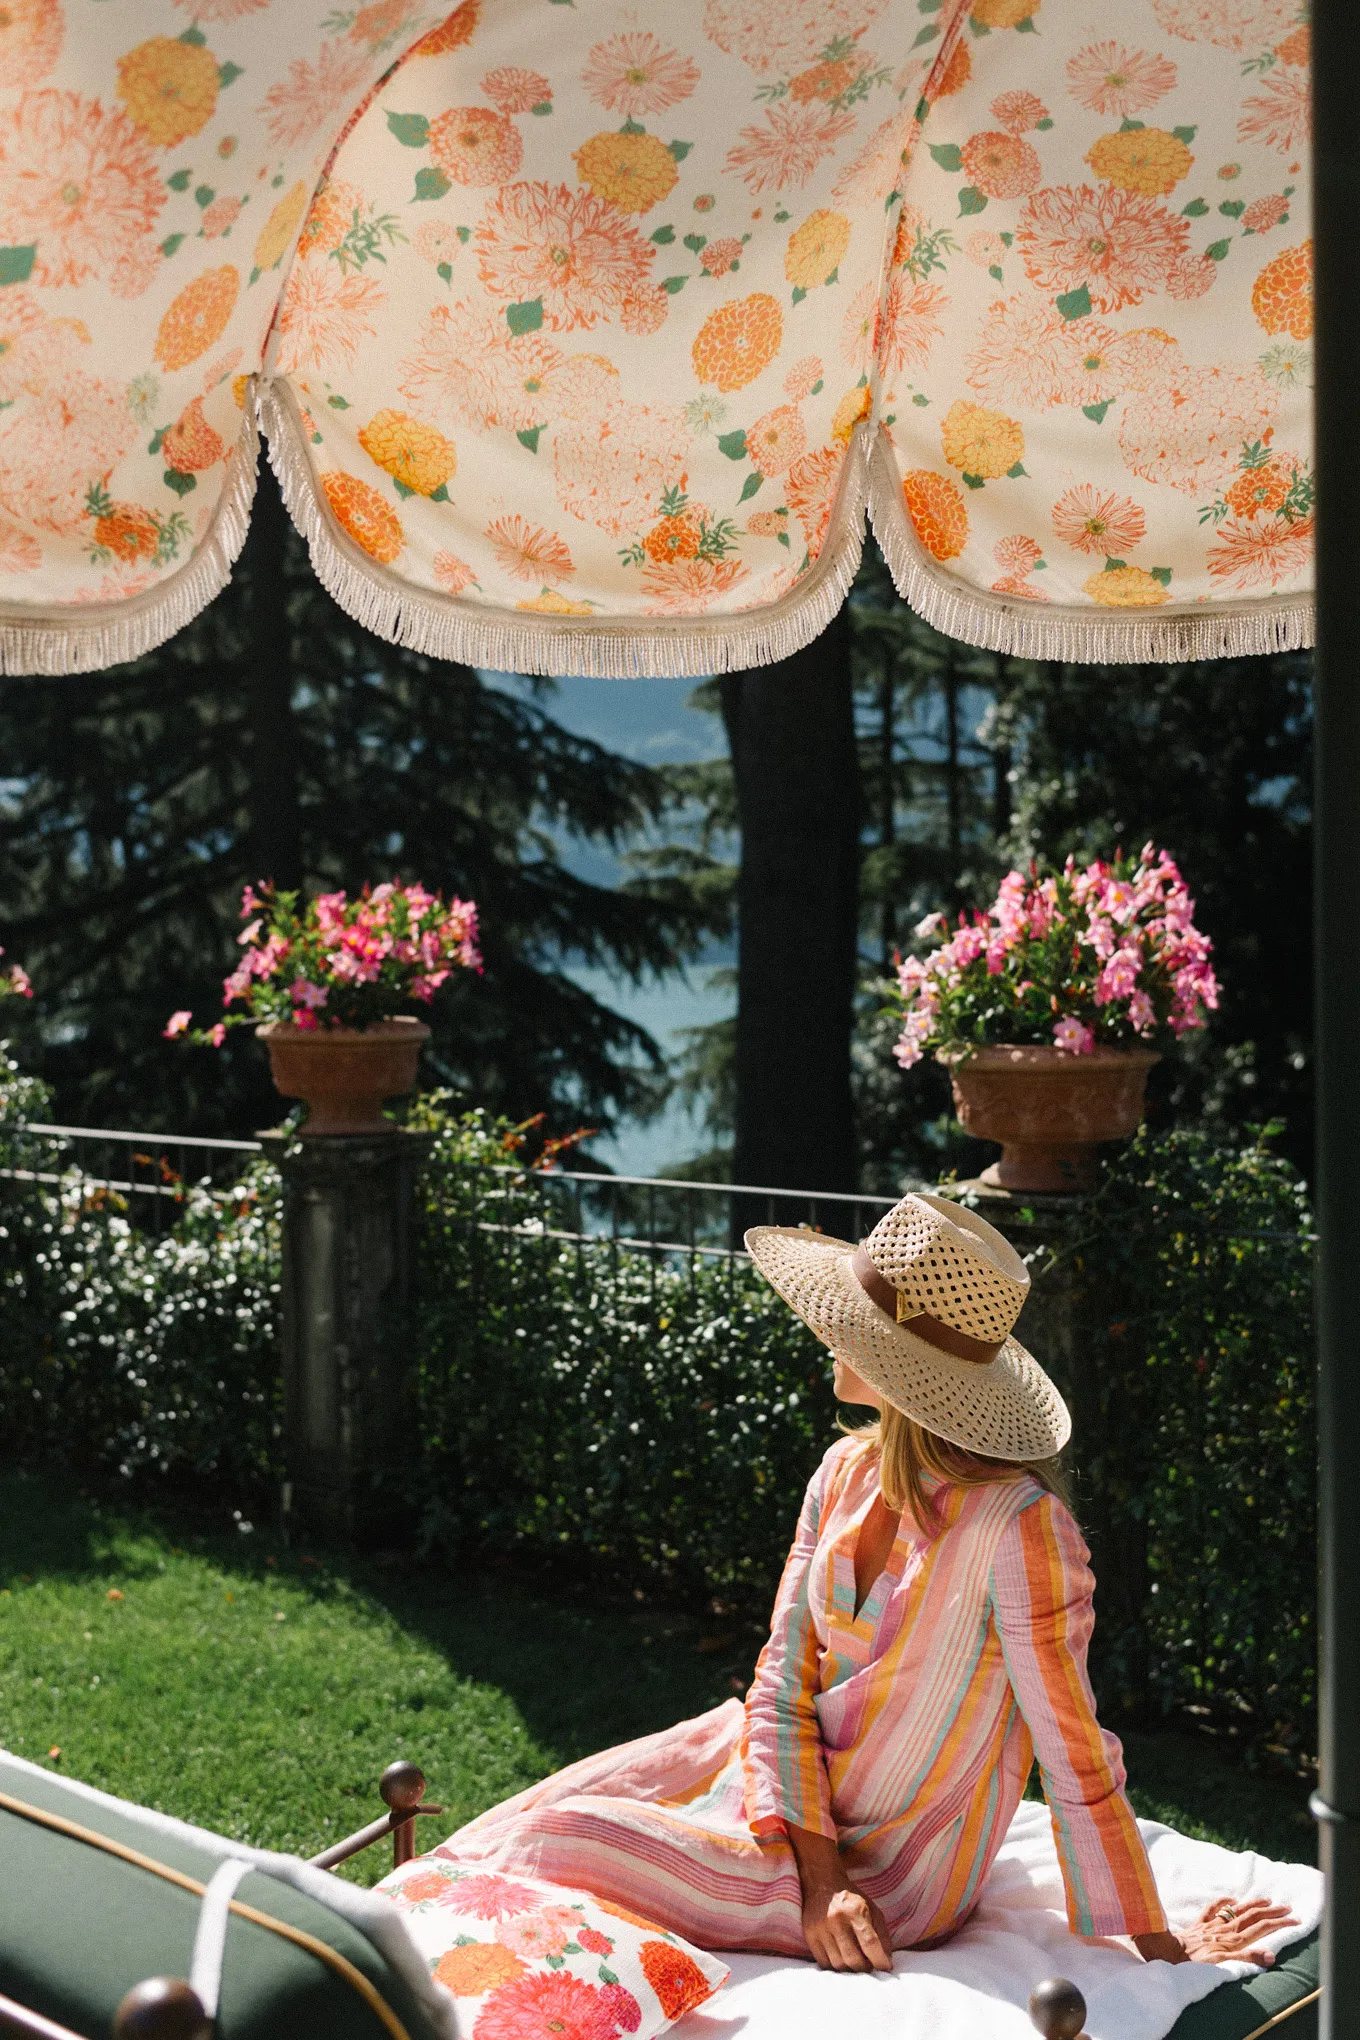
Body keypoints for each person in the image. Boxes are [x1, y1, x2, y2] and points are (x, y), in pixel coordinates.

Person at [438, 1193, 1295, 1971]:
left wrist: (1162, 1943)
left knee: (561, 1837)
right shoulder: (842, 1472)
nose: (824, 1331)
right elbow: (781, 1679)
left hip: (897, 1880)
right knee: (558, 1800)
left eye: (847, 1323)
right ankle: (393, 1916)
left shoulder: (1020, 1529)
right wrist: (818, 1881)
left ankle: (386, 1964)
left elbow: (1073, 1747)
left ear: (897, 1367)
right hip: (797, 1823)